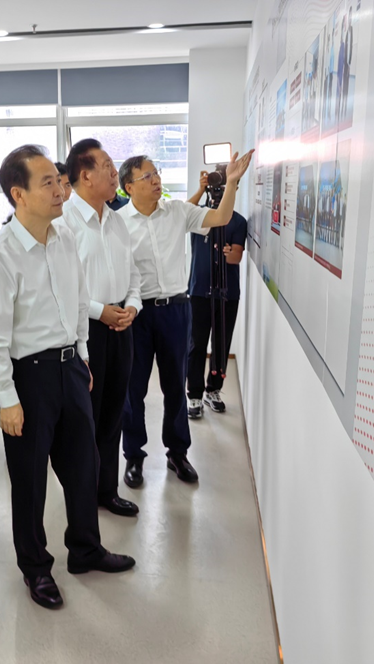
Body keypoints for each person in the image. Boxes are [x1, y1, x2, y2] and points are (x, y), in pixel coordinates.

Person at [0, 144, 135, 610]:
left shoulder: (64, 239)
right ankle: (36, 568)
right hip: (28, 378)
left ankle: (85, 549)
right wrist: (6, 398)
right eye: (47, 182)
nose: (60, 189)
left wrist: (82, 357)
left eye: (59, 180)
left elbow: (79, 302)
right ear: (18, 194)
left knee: (84, 467)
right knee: (30, 482)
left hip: (69, 368)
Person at [118, 150, 253, 489]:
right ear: (128, 187)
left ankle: (177, 452)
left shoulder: (177, 211)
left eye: (157, 173)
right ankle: (133, 456)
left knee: (175, 387)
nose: (156, 180)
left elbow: (221, 217)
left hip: (176, 310)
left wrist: (232, 183)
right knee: (133, 390)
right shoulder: (118, 224)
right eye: (148, 176)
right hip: (136, 313)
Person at [55, 139, 141, 518]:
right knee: (85, 420)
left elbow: (133, 274)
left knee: (113, 414)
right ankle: (84, 499)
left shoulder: (117, 219)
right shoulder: (63, 224)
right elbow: (62, 287)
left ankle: (107, 490)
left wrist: (132, 306)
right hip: (85, 332)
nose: (114, 172)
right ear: (85, 176)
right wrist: (100, 312)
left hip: (121, 326)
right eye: (107, 165)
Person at [185, 178, 247, 418]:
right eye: (215, 188)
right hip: (199, 291)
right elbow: (179, 214)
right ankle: (194, 394)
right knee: (197, 344)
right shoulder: (198, 215)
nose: (218, 193)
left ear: (234, 189)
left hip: (227, 293)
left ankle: (213, 390)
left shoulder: (238, 221)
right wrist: (200, 189)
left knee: (221, 343)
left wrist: (229, 254)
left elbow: (236, 257)